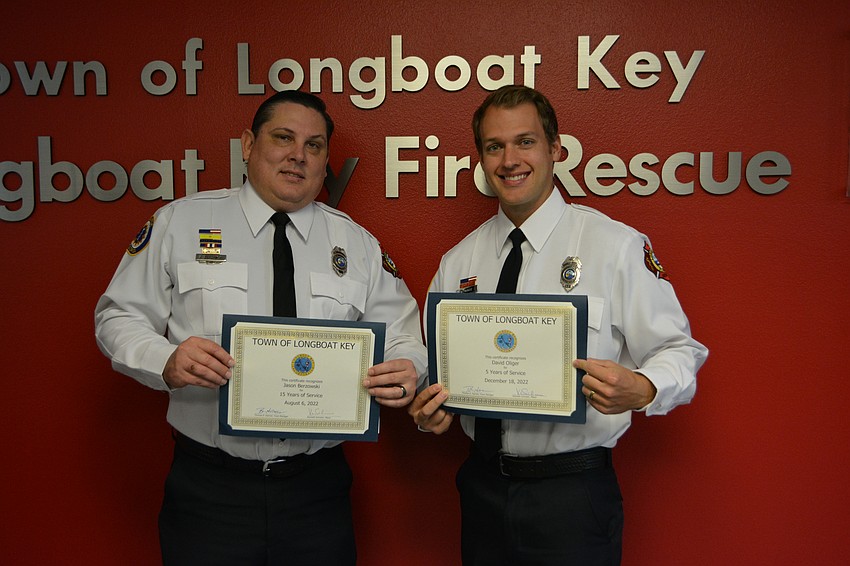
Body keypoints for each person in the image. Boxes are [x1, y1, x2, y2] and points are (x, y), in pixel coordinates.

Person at [95, 90, 427, 565]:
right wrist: (165, 359)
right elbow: (117, 316)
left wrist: (406, 368)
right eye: (283, 138)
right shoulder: (181, 223)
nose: (298, 155)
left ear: (326, 160)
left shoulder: (356, 244)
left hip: (317, 490)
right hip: (210, 489)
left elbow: (404, 338)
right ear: (249, 145)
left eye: (314, 146)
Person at [409, 85, 708, 565]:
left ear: (555, 149)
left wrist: (646, 387)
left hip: (573, 495)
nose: (510, 159)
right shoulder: (458, 261)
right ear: (481, 159)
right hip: (481, 488)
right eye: (494, 146)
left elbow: (679, 349)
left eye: (525, 142)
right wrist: (429, 409)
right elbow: (437, 370)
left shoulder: (615, 246)